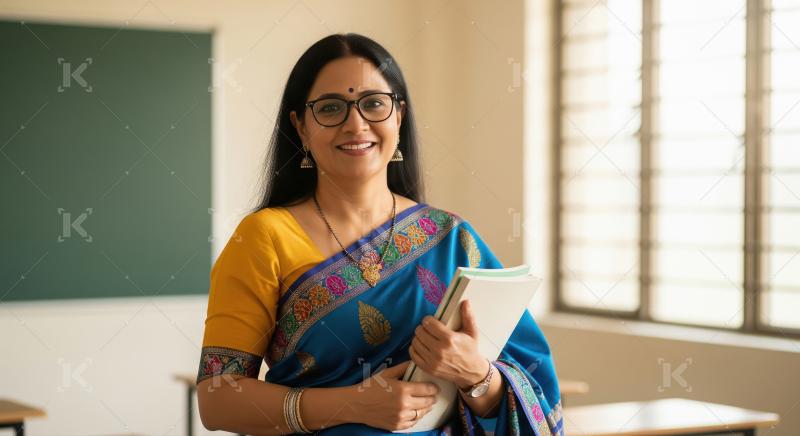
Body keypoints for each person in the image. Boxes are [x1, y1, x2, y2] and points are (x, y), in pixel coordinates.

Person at [196, 33, 563, 435]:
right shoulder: (263, 237)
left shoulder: (450, 237)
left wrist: (476, 375)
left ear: (399, 117)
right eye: (331, 108)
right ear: (300, 127)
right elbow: (218, 399)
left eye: (373, 104)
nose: (356, 124)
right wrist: (351, 405)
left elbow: (530, 382)